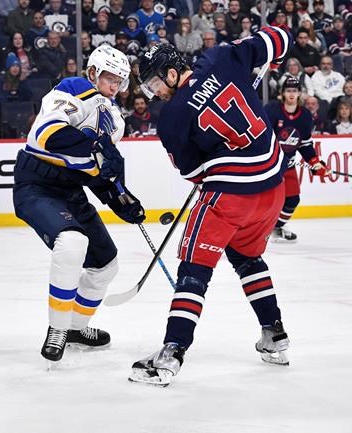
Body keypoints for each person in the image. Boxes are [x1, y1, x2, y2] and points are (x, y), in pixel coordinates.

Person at [131, 27, 294, 387]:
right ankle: (274, 334)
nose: (155, 93)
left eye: (155, 83)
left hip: (230, 197)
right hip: (273, 187)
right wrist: (270, 58)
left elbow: (194, 173)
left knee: (194, 270)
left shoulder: (171, 119)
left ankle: (171, 353)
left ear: (171, 72)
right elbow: (281, 37)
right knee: (247, 257)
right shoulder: (221, 57)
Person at [12, 45, 146, 364]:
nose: (115, 86)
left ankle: (75, 328)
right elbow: (47, 134)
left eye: (120, 81)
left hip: (70, 189)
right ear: (93, 73)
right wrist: (97, 146)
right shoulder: (74, 89)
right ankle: (57, 329)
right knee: (72, 241)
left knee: (106, 263)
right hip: (36, 184)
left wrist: (122, 200)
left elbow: (97, 172)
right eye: (110, 78)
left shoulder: (115, 120)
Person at [265, 77, 326, 243]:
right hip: (268, 166)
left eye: (294, 91)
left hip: (288, 166)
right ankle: (254, 230)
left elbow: (304, 144)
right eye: (288, 90)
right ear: (282, 93)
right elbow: (262, 137)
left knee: (292, 200)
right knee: (264, 200)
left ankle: (275, 228)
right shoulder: (271, 110)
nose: (291, 94)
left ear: (299, 93)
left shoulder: (305, 116)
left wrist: (314, 162)